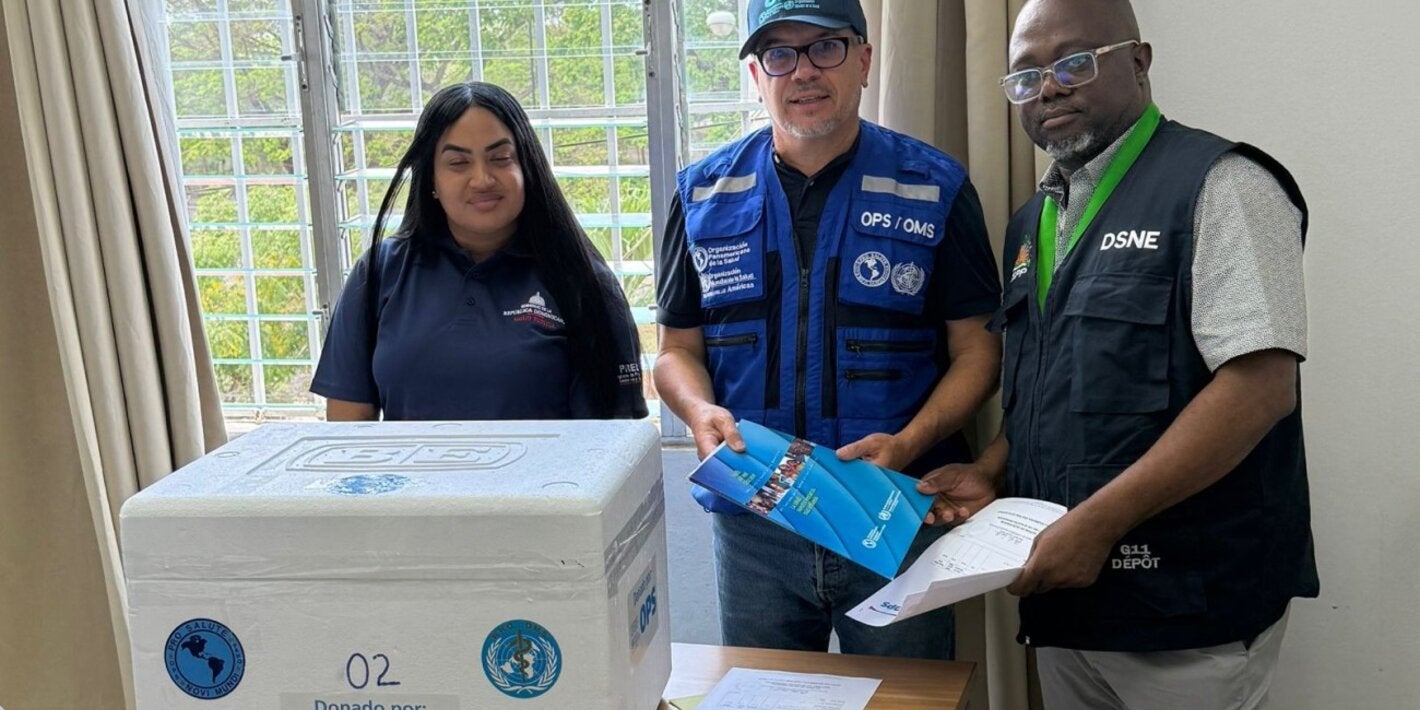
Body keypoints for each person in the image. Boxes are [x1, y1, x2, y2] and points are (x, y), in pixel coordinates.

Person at [918, 0, 1318, 707]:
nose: (1048, 88)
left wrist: (1097, 524)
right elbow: (1050, 390)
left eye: (1074, 63)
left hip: (1186, 609)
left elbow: (1259, 390)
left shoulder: (1221, 184)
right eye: (1025, 77)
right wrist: (990, 472)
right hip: (1070, 603)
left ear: (1139, 61)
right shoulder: (1030, 223)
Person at [654, 0, 1002, 659]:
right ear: (757, 76)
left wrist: (909, 442)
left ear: (866, 59)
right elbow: (675, 351)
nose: (803, 71)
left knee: (908, 706)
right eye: (780, 55)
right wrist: (699, 411)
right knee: (763, 702)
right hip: (755, 521)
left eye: (826, 48)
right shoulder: (700, 195)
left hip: (897, 514)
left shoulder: (936, 187)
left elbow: (977, 349)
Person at [311, 82, 647, 422]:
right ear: (432, 180)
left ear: (527, 168)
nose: (482, 179)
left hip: (542, 476)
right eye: (458, 163)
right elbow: (347, 430)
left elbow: (613, 443)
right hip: (409, 476)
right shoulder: (381, 273)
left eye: (500, 158)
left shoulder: (585, 281)